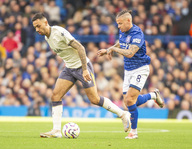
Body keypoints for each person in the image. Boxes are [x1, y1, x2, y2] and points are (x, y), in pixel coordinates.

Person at [32, 13, 131, 138]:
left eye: (38, 26)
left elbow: (80, 48)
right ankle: (56, 130)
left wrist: (84, 70)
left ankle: (123, 114)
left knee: (94, 99)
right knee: (55, 96)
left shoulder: (59, 32)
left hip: (81, 67)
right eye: (35, 27)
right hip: (69, 68)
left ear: (46, 22)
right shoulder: (47, 37)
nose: (37, 30)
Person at [97, 10, 164, 139]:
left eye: (120, 23)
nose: (118, 26)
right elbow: (121, 42)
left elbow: (130, 53)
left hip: (140, 68)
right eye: (117, 24)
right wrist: (109, 49)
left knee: (129, 100)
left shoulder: (137, 33)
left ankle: (134, 132)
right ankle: (153, 95)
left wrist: (114, 49)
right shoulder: (123, 31)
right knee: (128, 102)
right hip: (128, 70)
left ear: (128, 21)